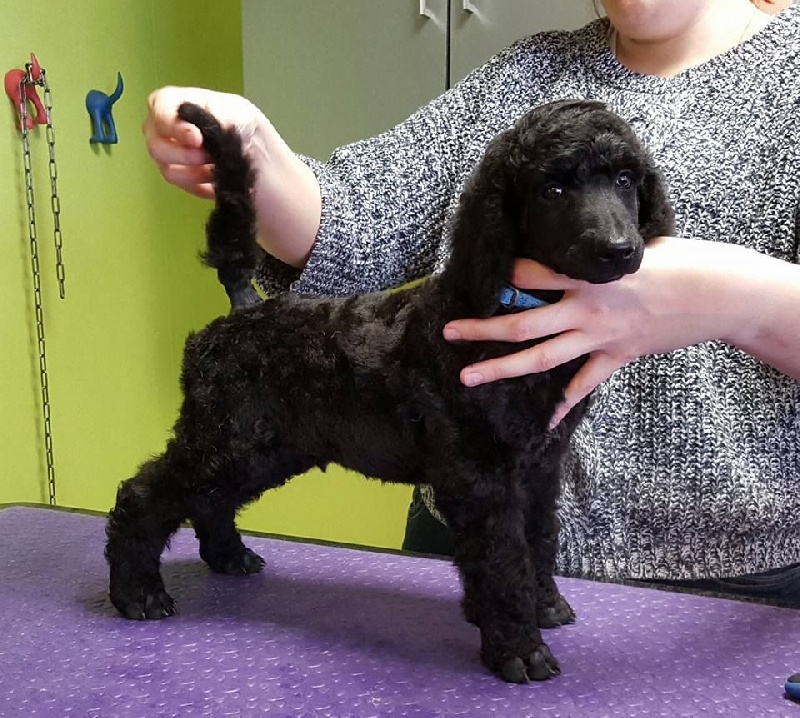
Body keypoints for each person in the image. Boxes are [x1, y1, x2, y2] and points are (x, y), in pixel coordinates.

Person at [143, 0, 800, 606]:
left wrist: (742, 302)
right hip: (462, 540)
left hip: (735, 590)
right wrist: (255, 154)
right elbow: (360, 222)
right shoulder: (526, 73)